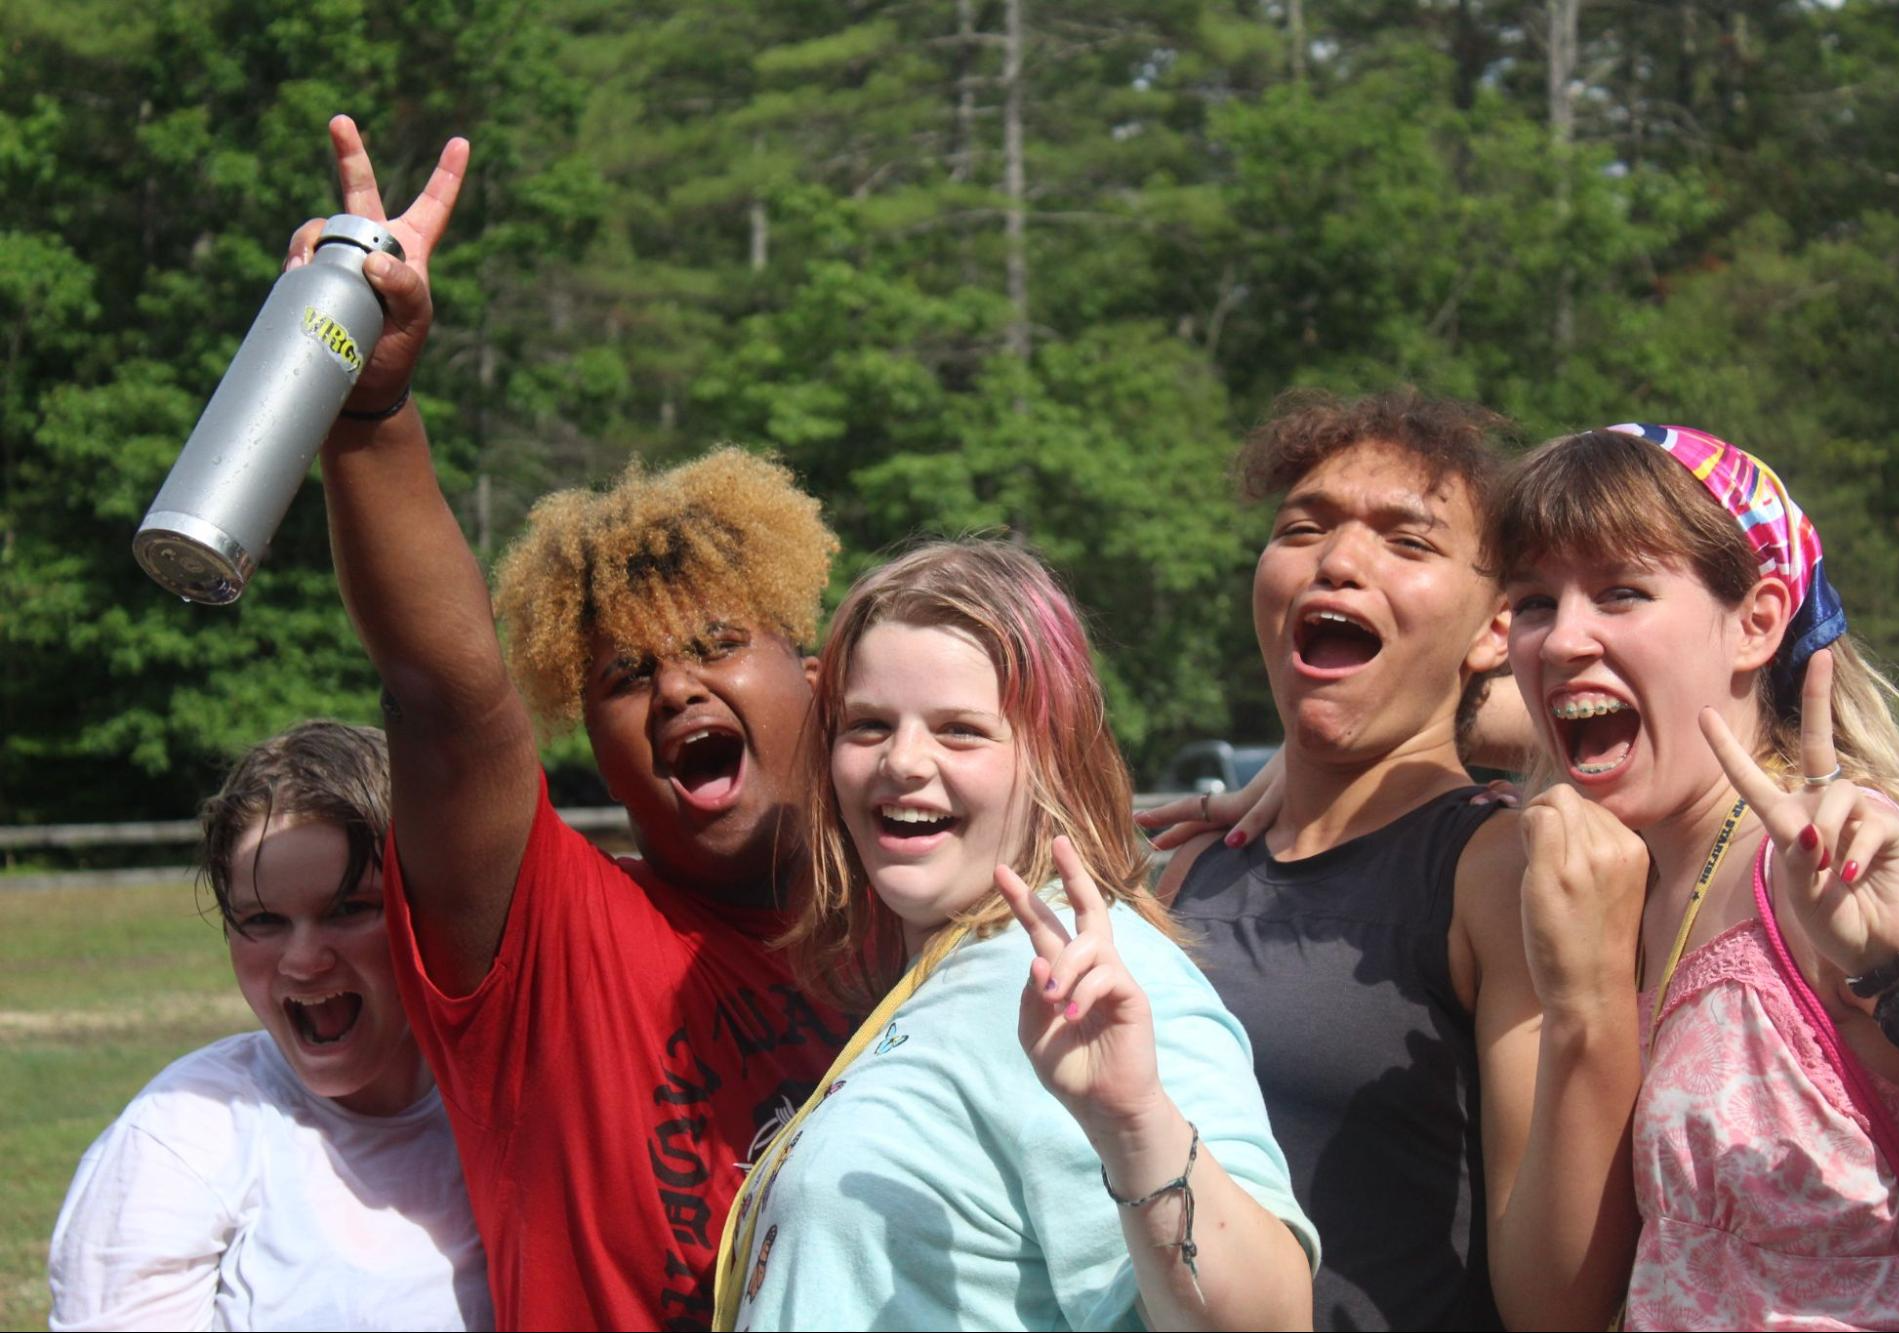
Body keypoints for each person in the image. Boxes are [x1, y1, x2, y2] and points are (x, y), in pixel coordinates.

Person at [293, 118, 850, 1329]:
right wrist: (367, 414)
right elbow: (448, 703)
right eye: (623, 677)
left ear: (817, 679)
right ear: (586, 736)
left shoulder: (940, 930)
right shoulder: (553, 941)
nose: (679, 691)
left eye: (717, 646)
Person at [712, 539, 1316, 1330]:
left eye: (960, 730)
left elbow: (1273, 1322)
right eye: (867, 725)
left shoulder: (1095, 978)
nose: (902, 761)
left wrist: (1133, 1121)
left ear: (1052, 758)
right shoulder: (942, 970)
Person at [1146, 389, 1647, 1330]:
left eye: (1407, 543)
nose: (1337, 560)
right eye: (1303, 527)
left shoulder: (1493, 869)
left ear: (1495, 628)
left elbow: (1557, 1304)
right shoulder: (1184, 870)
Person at [1496, 423, 1899, 1330]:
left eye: (1620, 591)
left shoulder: (1831, 864)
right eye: (1533, 601)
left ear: (1757, 621)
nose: (1563, 638)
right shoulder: (1611, 887)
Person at [47, 721, 491, 1331]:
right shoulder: (181, 1137)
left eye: (349, 909)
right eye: (262, 920)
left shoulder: (514, 1107)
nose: (303, 960)